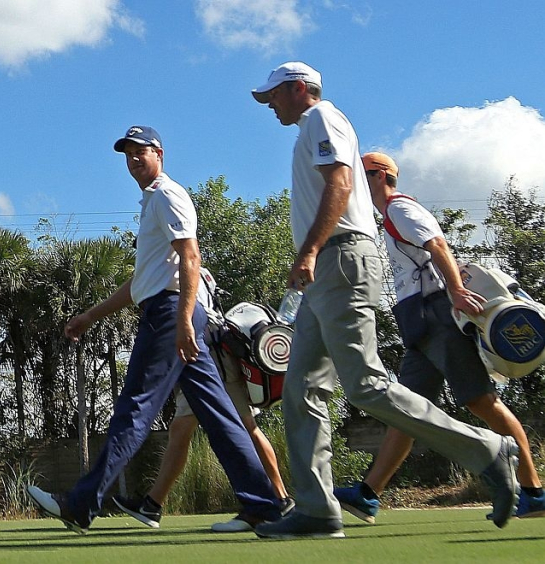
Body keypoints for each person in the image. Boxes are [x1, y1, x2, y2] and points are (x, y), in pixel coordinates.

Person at [249, 62, 519, 539]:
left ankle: (487, 450)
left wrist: (310, 251)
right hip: (323, 272)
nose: (269, 105)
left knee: (366, 385)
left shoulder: (321, 118)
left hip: (340, 260)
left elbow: (341, 185)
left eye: (273, 95)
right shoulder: (309, 128)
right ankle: (317, 509)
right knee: (300, 391)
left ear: (297, 89)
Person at [26, 125, 284, 533]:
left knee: (136, 407)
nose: (133, 160)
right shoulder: (152, 203)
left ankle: (80, 504)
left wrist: (182, 321)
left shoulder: (166, 195)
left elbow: (191, 256)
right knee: (219, 414)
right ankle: (265, 505)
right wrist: (91, 315)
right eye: (127, 154)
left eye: (139, 152)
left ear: (158, 153)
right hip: (168, 308)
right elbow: (142, 282)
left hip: (171, 314)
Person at [333, 152, 545, 522]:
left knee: (482, 402)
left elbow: (438, 245)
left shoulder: (401, 209)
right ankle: (368, 495)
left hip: (437, 317)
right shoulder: (390, 216)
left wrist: (457, 292)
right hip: (420, 321)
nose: (353, 185)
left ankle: (534, 491)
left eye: (359, 175)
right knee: (407, 411)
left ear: (379, 176)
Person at [113, 331, 295, 532]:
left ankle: (281, 499)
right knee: (183, 429)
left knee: (245, 427)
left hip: (210, 357)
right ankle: (152, 504)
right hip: (203, 355)